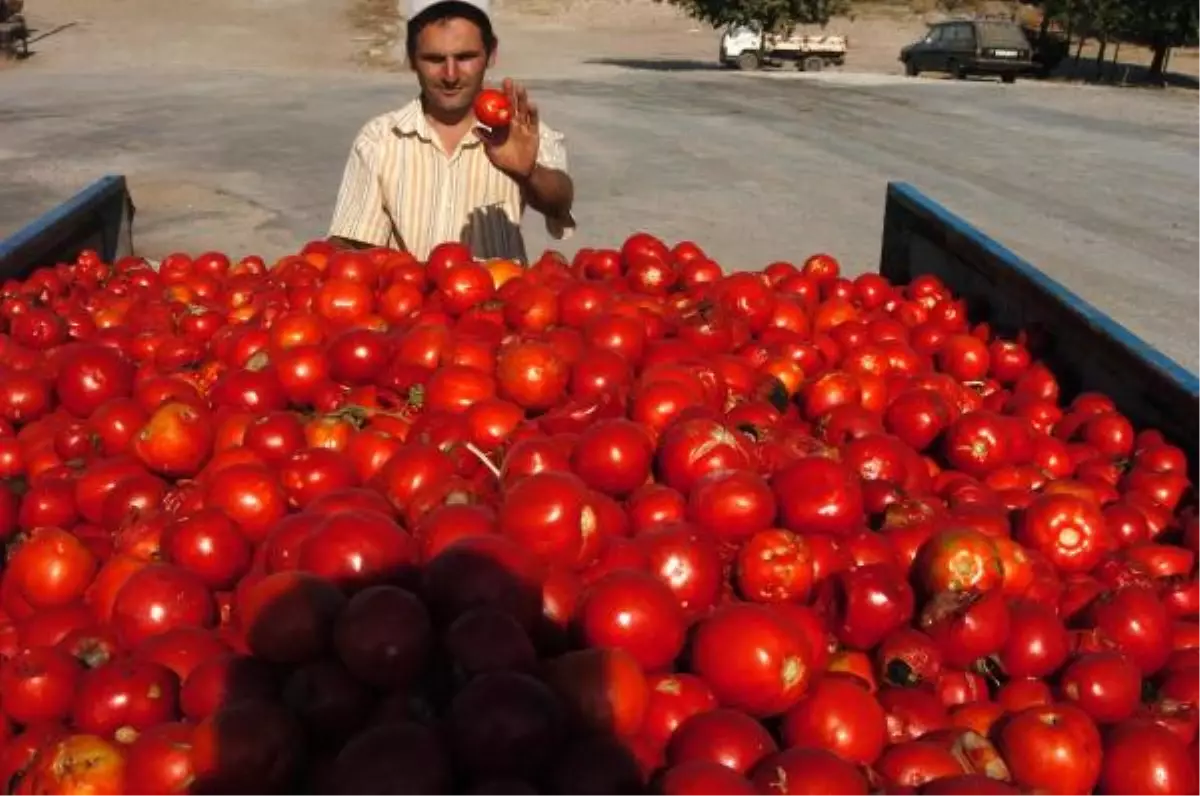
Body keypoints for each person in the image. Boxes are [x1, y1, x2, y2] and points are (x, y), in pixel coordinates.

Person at [326, 0, 575, 263]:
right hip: (410, 300)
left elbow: (560, 202)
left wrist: (529, 175)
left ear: (491, 53)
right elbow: (352, 241)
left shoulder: (519, 134)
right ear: (411, 58)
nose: (451, 74)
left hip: (499, 298)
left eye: (465, 57)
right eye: (434, 59)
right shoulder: (379, 139)